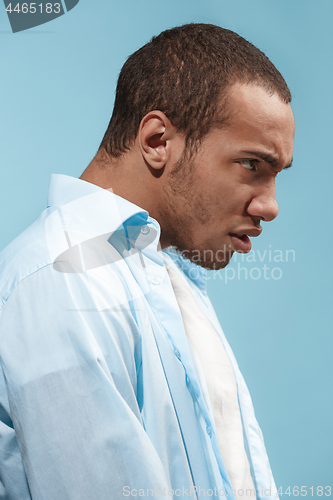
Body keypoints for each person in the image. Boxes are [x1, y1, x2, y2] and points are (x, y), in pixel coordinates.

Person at [0, 23, 294, 500]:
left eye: (277, 174)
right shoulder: (64, 281)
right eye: (252, 166)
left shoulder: (163, 275)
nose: (270, 206)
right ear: (158, 141)